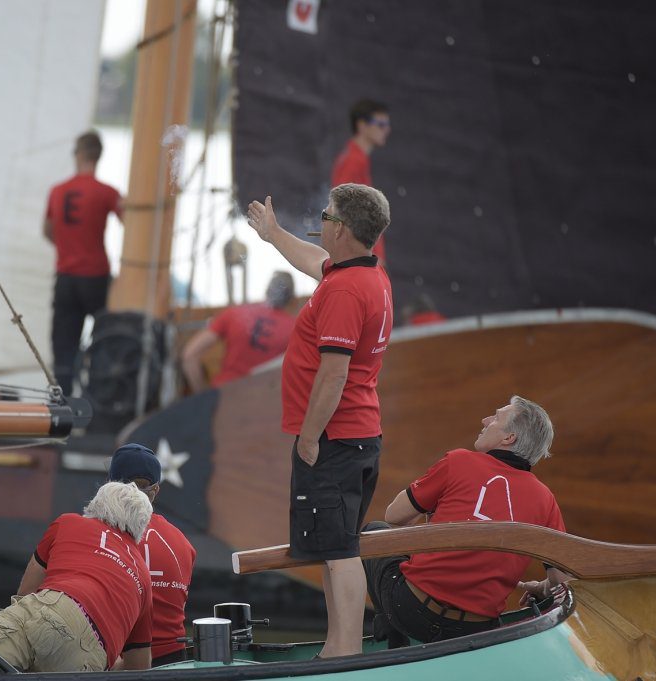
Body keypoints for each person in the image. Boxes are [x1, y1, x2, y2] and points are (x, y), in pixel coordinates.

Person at [246, 183, 393, 658]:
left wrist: (309, 438)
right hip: (357, 434)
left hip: (334, 438)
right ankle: (338, 644)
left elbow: (334, 374)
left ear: (343, 229)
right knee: (334, 546)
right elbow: (313, 260)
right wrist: (273, 235)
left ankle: (345, 650)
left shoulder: (347, 291)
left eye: (327, 216)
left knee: (339, 549)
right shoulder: (363, 273)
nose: (321, 219)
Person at [363, 396, 568, 646]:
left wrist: (430, 503)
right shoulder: (546, 500)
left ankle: (393, 643)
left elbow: (393, 516)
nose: (485, 420)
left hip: (414, 612)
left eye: (496, 417)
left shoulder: (459, 461)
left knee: (374, 532)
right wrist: (543, 586)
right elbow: (561, 580)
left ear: (508, 438)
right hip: (477, 630)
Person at [0, 481, 154, 674]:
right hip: (92, 651)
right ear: (140, 527)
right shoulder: (143, 576)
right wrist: (107, 659)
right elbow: (139, 666)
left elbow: (25, 592)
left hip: (51, 606)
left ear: (97, 505)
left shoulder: (70, 522)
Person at [43, 131, 124, 397]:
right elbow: (131, 225)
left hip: (65, 277)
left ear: (77, 154)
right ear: (98, 156)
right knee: (105, 339)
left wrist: (68, 247)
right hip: (96, 278)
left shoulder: (57, 191)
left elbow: (47, 230)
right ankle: (99, 399)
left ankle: (64, 404)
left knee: (64, 344)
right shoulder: (107, 193)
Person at [108, 443, 197, 667]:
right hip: (173, 662)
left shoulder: (100, 535)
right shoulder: (183, 544)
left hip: (120, 661)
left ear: (109, 486)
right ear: (155, 490)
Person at [181, 271, 296, 392]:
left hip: (224, 396)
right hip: (264, 401)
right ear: (291, 299)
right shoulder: (295, 328)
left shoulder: (235, 313)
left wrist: (204, 396)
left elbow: (190, 355)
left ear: (267, 290)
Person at [331, 99, 391, 263]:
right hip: (359, 257)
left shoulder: (356, 159)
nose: (386, 129)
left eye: (386, 124)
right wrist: (369, 256)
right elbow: (343, 211)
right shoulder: (354, 161)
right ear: (362, 125)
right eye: (380, 124)